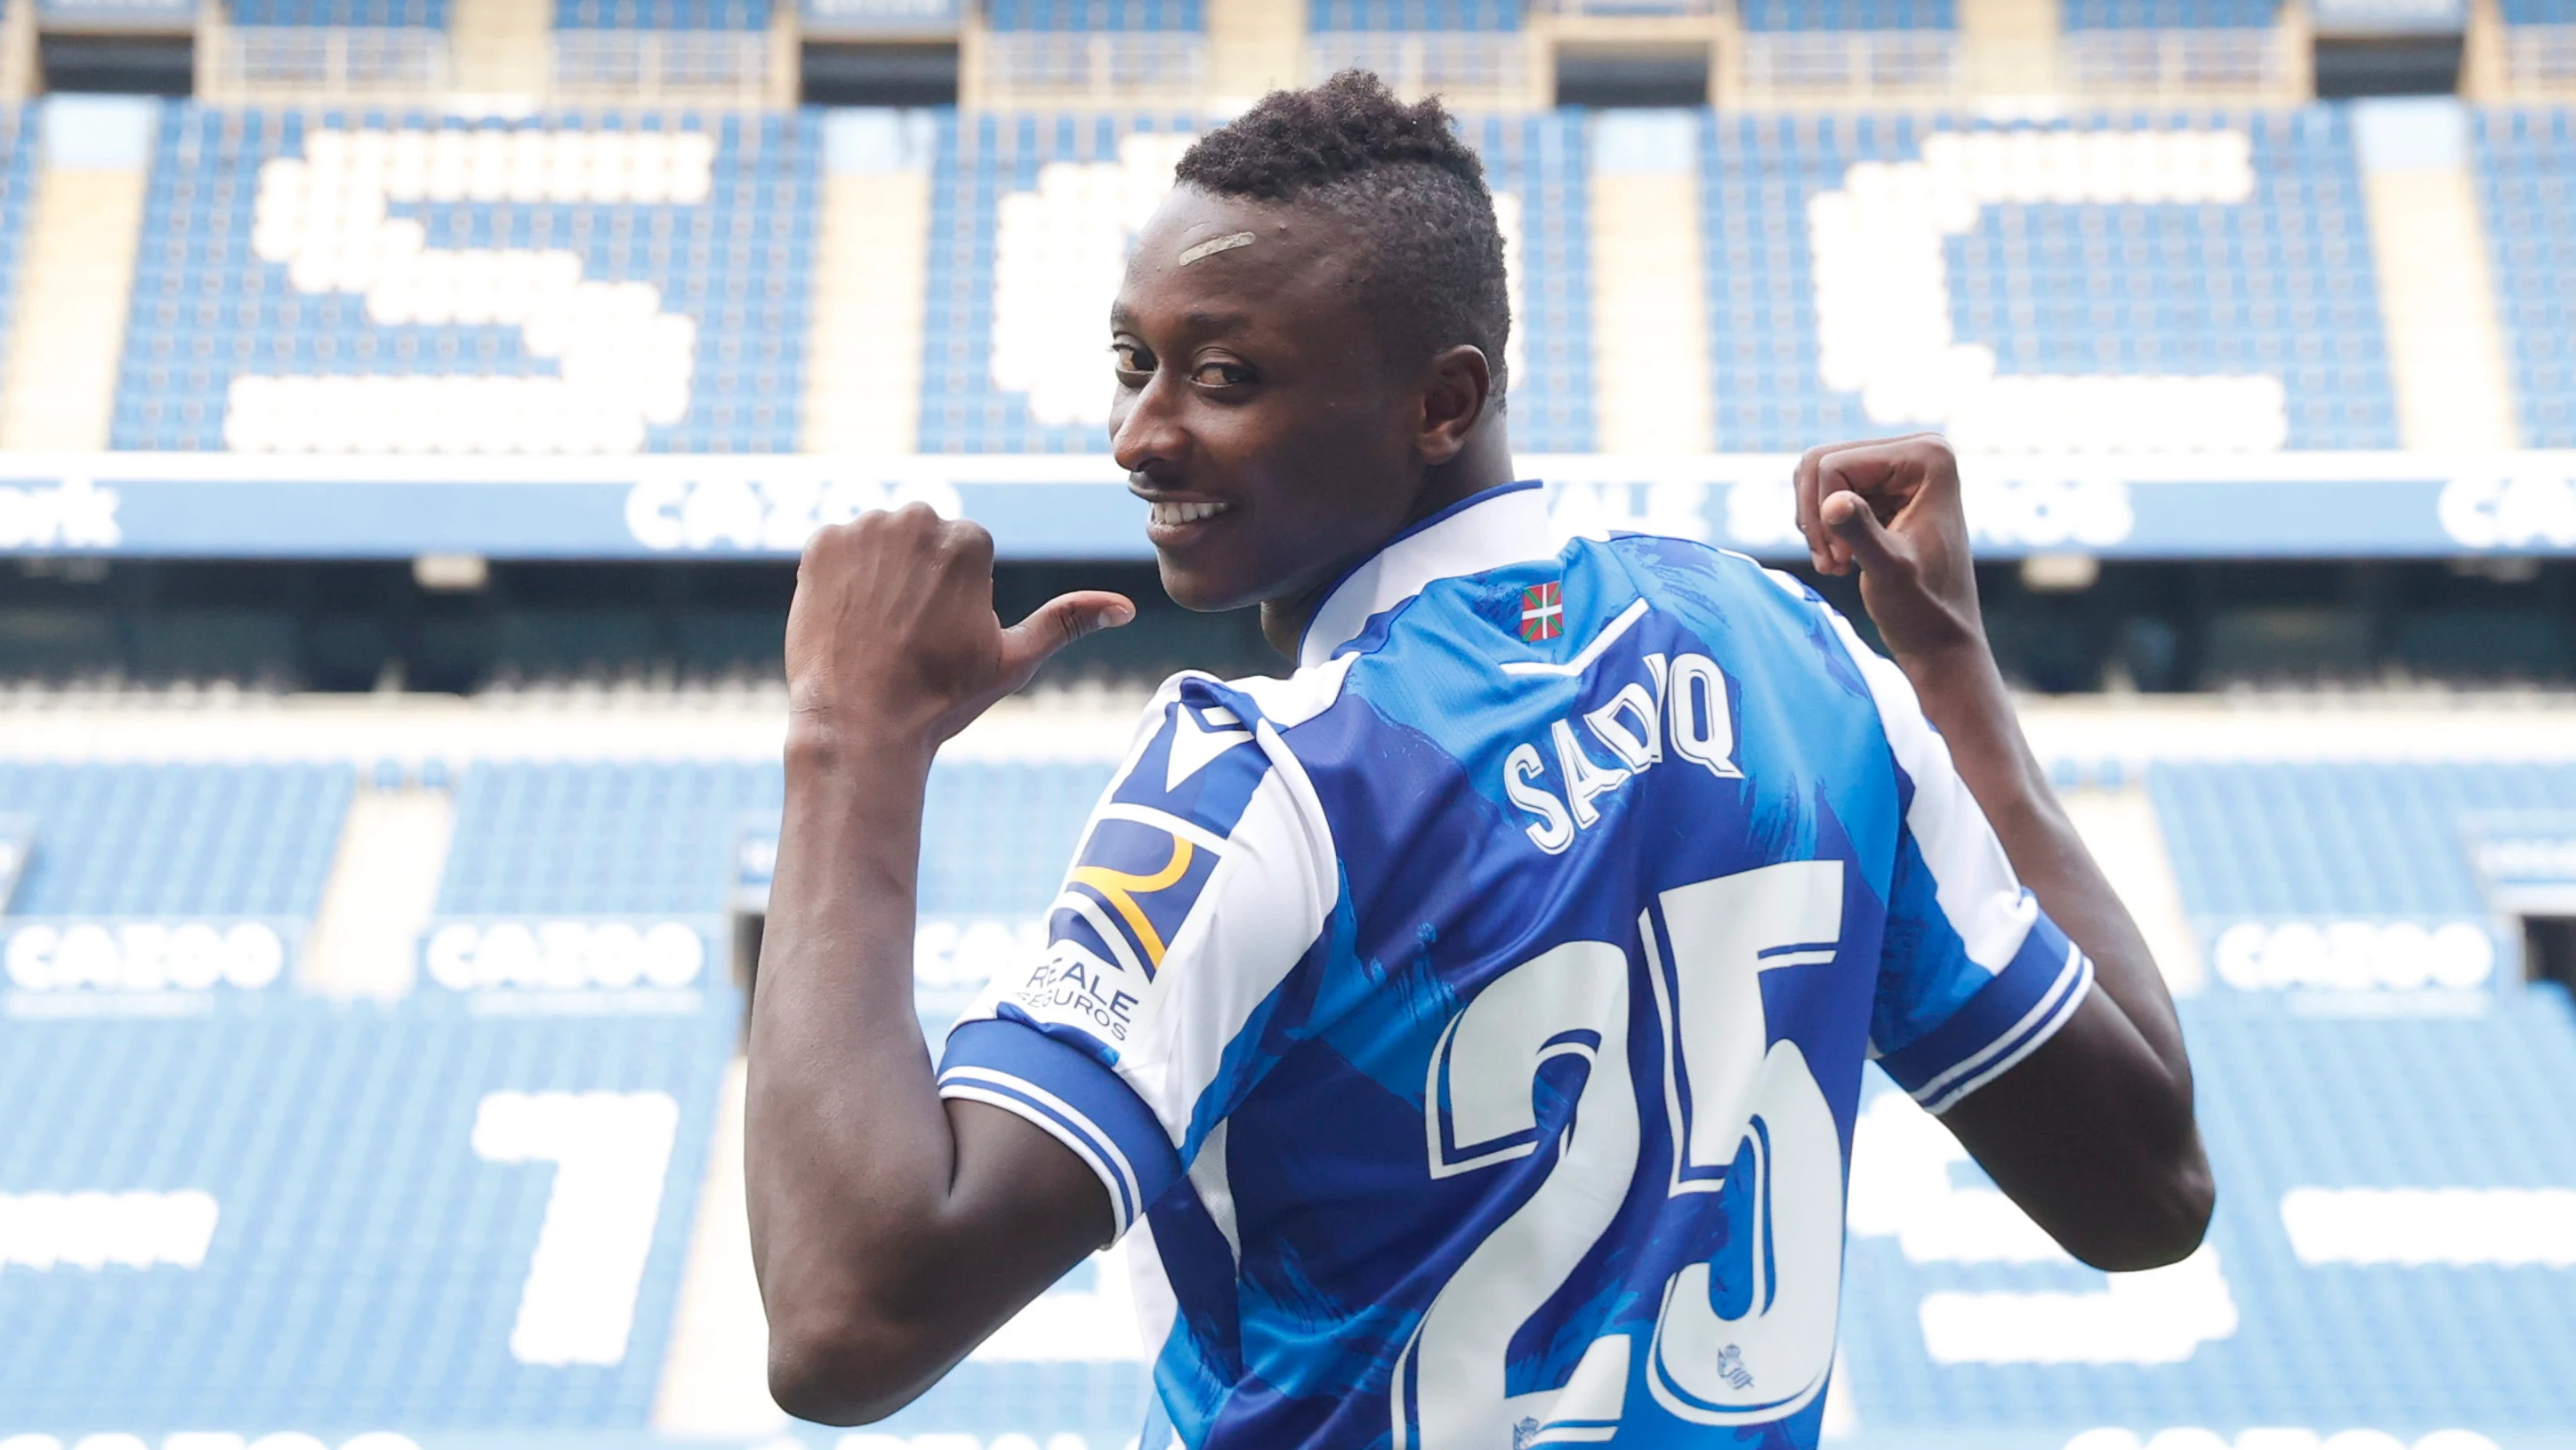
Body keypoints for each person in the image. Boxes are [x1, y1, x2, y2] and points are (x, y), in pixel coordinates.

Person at [747, 70, 2211, 1448]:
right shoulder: (1803, 662)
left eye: (1222, 375)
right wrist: (1948, 663)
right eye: (1133, 363)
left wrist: (847, 741)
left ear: (1441, 405)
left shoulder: (1277, 777)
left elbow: (850, 1320)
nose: (1139, 437)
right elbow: (2144, 1191)